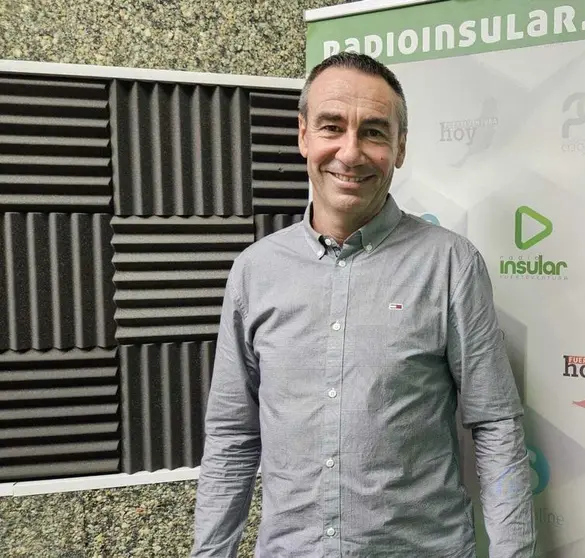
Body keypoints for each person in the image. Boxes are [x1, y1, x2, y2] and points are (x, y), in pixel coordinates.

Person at [190, 52, 535, 557]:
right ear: (303, 135)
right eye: (332, 127)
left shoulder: (451, 264)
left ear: (400, 148)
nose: (350, 153)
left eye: (373, 132)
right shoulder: (254, 271)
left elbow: (496, 426)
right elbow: (231, 437)